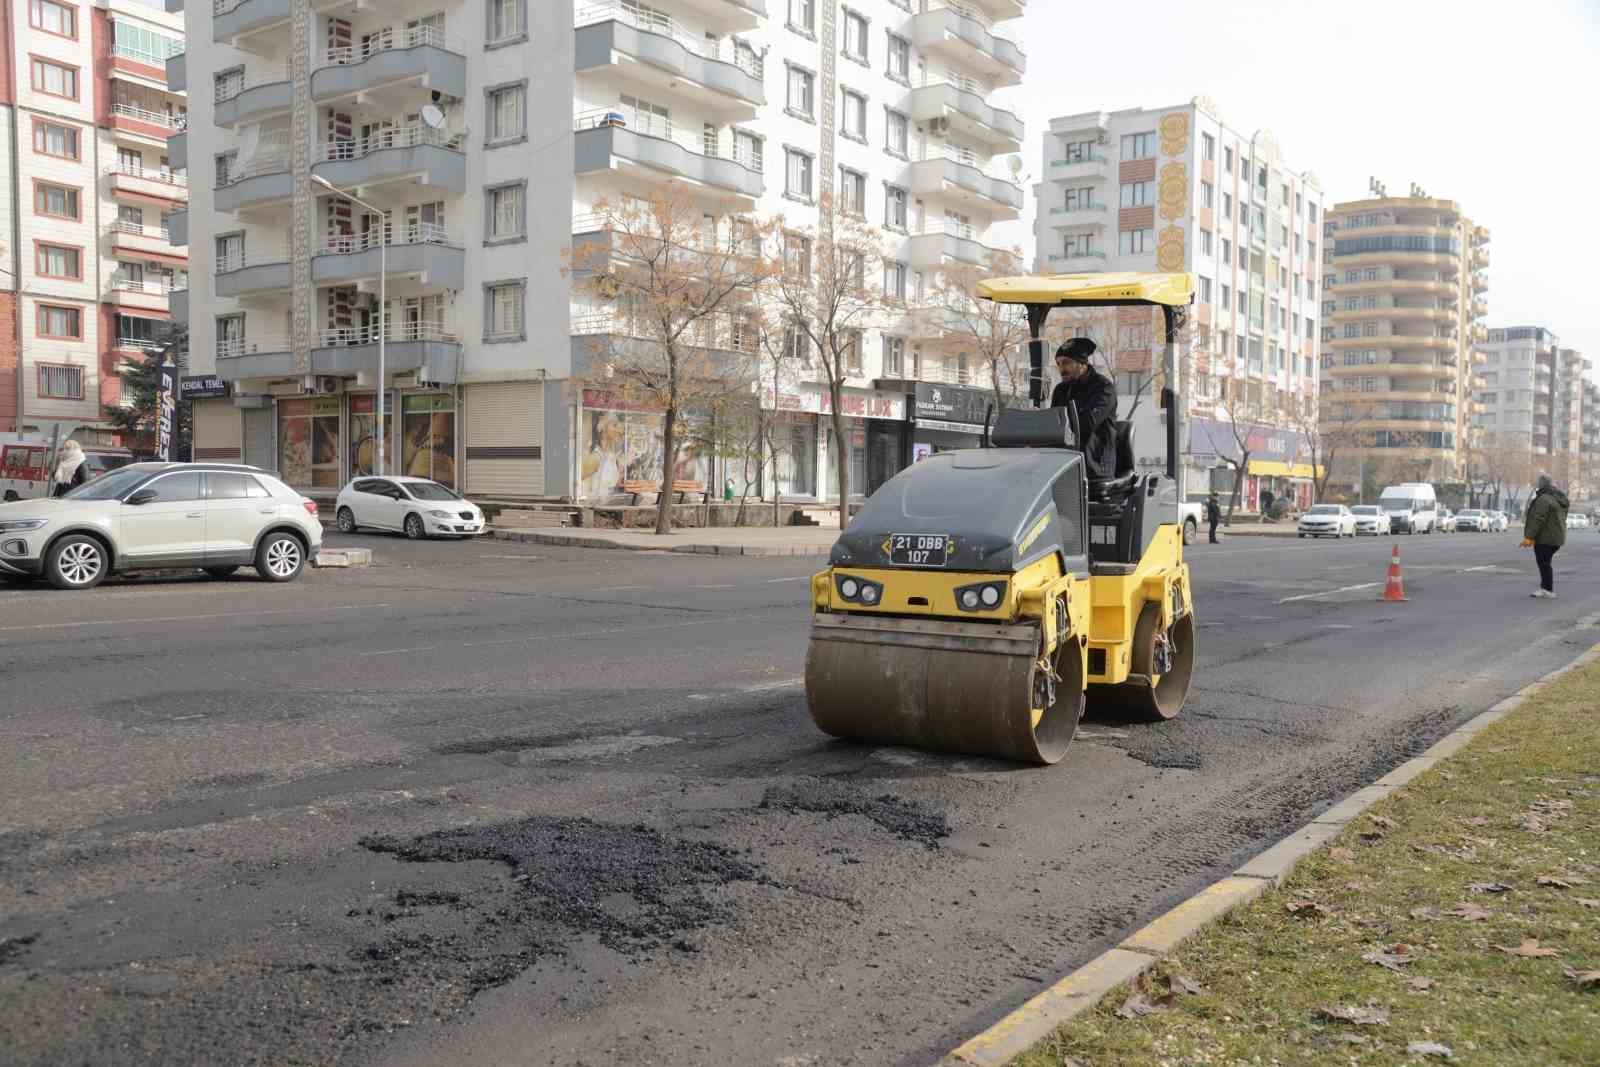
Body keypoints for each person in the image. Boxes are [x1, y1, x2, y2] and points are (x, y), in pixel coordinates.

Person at [1049, 338, 1118, 478]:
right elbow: (1053, 425)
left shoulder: (1103, 388)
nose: (1061, 369)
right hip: (1064, 462)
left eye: (1066, 362)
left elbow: (1086, 424)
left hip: (1094, 463)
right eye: (1059, 363)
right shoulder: (1061, 390)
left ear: (1082, 364)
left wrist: (1056, 421)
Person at [1521, 473, 1569, 599]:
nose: (1537, 484)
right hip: (1557, 536)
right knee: (1545, 562)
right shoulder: (1557, 497)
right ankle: (1546, 588)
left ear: (1542, 483)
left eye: (1538, 482)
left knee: (1544, 562)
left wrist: (1529, 537)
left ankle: (1547, 589)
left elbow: (1538, 519)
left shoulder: (1544, 499)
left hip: (1546, 538)